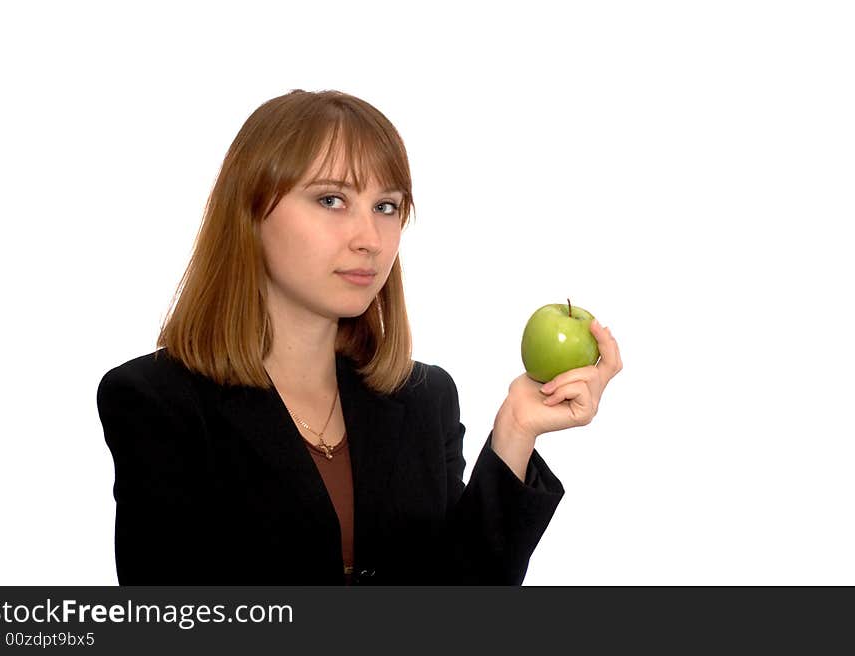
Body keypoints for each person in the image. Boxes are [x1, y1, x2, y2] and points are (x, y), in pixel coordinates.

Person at [96, 89, 623, 586]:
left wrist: (515, 431)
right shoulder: (153, 401)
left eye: (386, 207)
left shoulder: (424, 399)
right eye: (330, 200)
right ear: (250, 214)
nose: (369, 239)